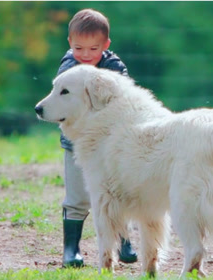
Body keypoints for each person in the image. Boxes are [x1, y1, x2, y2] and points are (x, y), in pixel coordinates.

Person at [56, 8, 137, 268]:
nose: (86, 55)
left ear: (106, 45)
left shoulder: (114, 67)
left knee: (118, 190)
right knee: (78, 196)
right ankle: (71, 249)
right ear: (70, 43)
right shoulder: (68, 68)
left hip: (112, 147)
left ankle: (124, 240)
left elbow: (124, 97)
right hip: (77, 146)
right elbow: (63, 106)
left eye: (94, 49)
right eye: (79, 48)